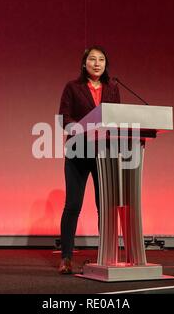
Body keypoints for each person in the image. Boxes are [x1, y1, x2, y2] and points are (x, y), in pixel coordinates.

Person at [58, 45, 121, 274]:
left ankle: (105, 256)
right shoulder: (72, 87)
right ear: (84, 63)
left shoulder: (113, 88)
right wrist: (83, 129)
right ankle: (66, 258)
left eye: (101, 60)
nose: (97, 63)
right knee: (73, 205)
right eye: (92, 59)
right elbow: (63, 118)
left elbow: (118, 119)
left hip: (104, 152)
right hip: (78, 151)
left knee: (104, 206)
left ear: (105, 64)